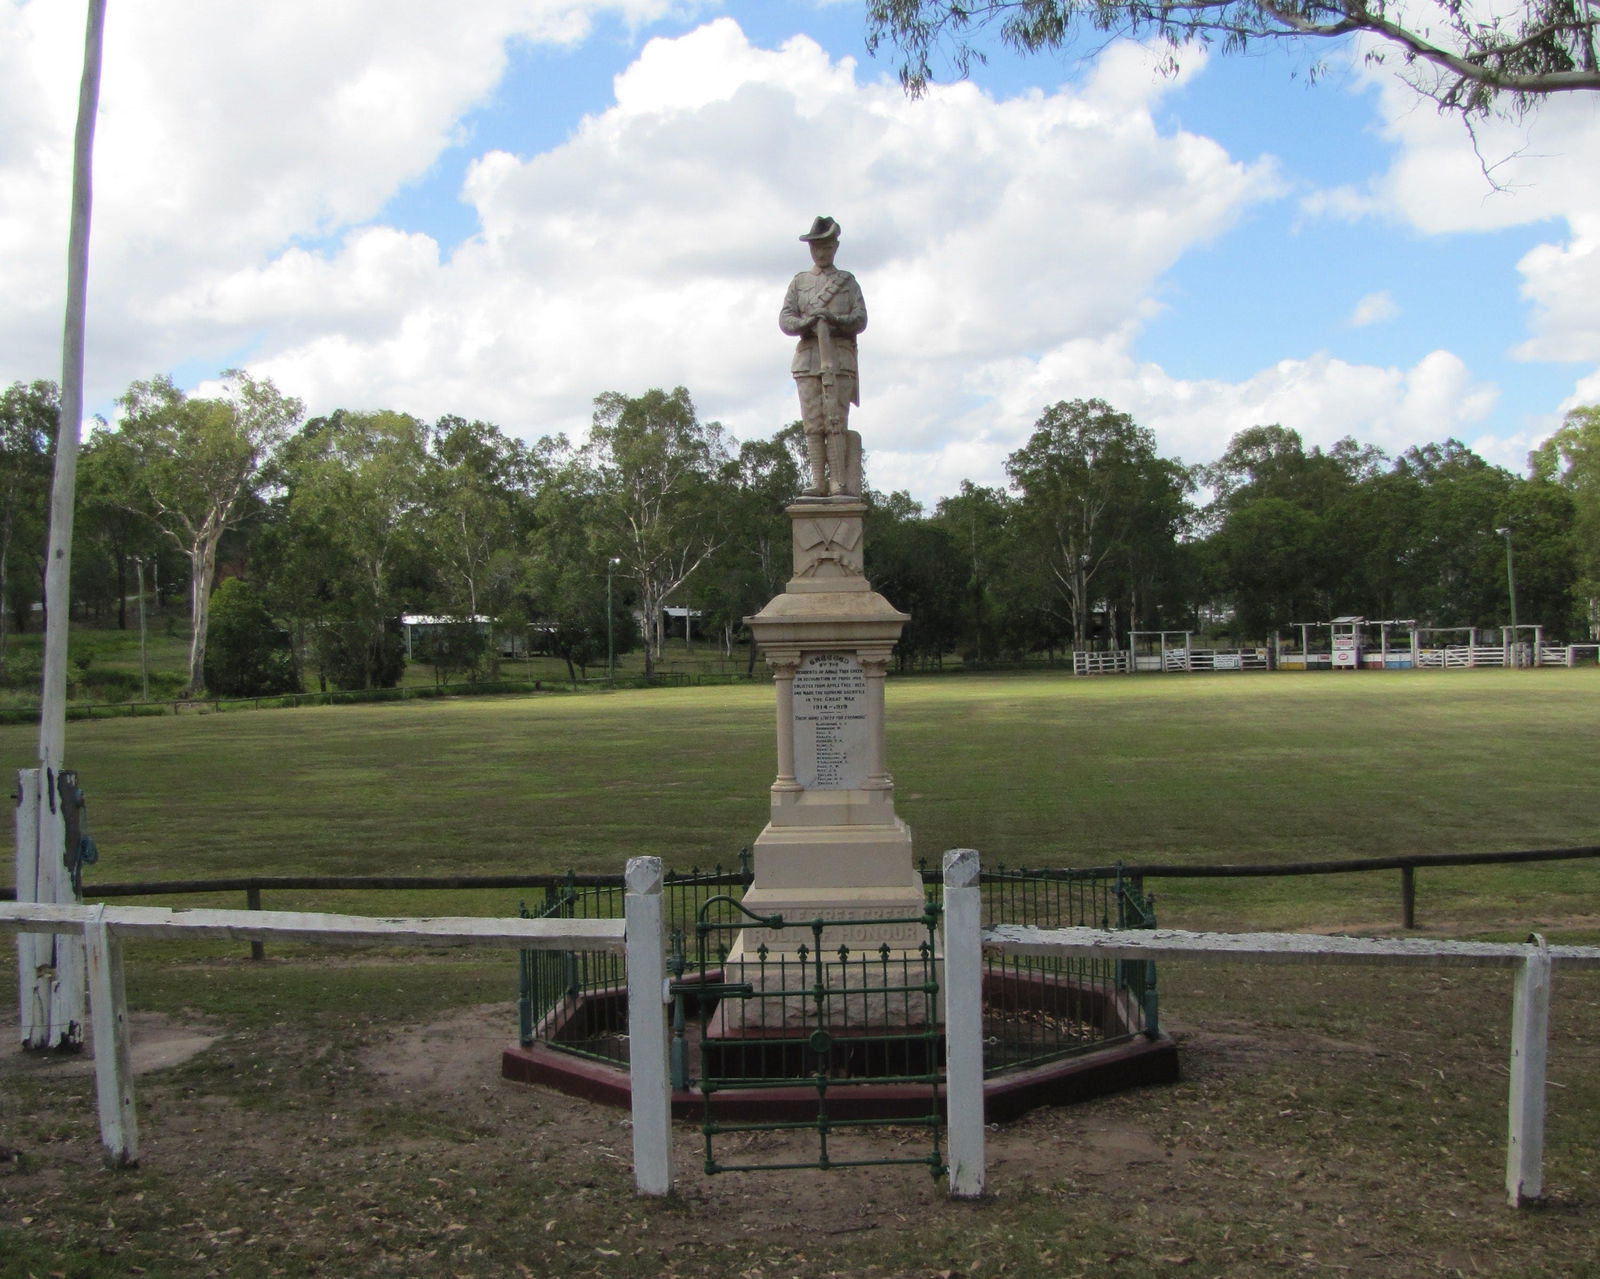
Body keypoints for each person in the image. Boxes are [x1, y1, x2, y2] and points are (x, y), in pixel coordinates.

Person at [780, 216, 867, 497]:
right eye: (816, 247)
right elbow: (785, 319)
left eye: (826, 246)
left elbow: (860, 319)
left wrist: (835, 320)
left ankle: (837, 482)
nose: (820, 252)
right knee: (813, 422)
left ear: (835, 247)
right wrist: (806, 324)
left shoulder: (848, 283)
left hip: (839, 359)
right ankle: (818, 481)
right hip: (808, 360)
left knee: (836, 421)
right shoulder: (800, 282)